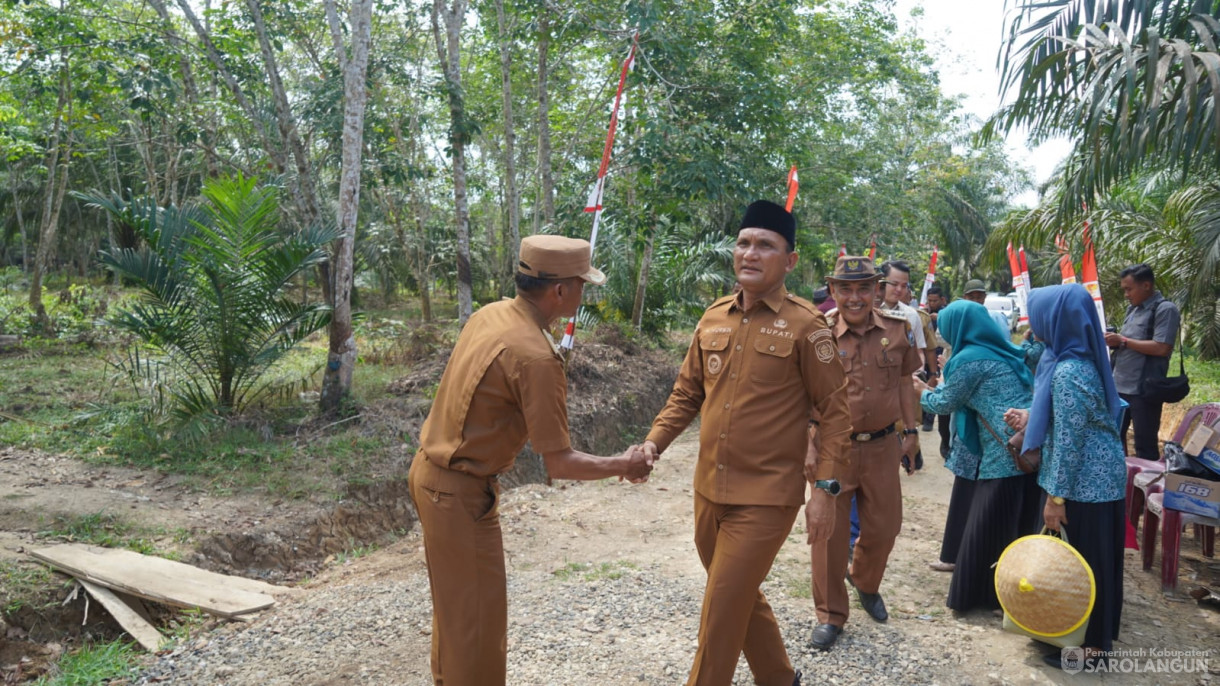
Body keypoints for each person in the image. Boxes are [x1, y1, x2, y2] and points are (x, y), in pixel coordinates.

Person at [408, 235, 653, 686]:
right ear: (560, 290)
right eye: (581, 284)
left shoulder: (490, 314)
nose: (583, 293)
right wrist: (624, 464)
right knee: (478, 631)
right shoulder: (536, 358)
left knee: (457, 617)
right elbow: (560, 464)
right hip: (459, 495)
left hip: (430, 476)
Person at [641, 200, 852, 686]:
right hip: (708, 491)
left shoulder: (807, 326)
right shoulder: (713, 317)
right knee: (735, 595)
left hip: (765, 498)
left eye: (765, 245)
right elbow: (687, 393)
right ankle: (780, 679)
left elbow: (836, 414)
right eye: (743, 243)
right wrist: (654, 443)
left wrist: (825, 491)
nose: (750, 253)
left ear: (790, 260)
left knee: (720, 612)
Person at [1003, 284, 1126, 668]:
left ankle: (1093, 649)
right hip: (1096, 478)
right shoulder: (1077, 360)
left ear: (1056, 320)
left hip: (1085, 483)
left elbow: (1071, 442)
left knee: (1087, 564)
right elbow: (1076, 418)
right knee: (1093, 559)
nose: (1033, 323)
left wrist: (1056, 499)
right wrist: (1032, 416)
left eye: (1038, 315)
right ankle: (1086, 633)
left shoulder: (1068, 371)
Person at [809, 255, 921, 651]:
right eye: (845, 289)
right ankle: (830, 614)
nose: (854, 297)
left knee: (885, 526)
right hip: (833, 449)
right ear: (833, 290)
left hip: (882, 446)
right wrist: (807, 445)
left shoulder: (898, 329)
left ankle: (865, 581)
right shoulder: (817, 334)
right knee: (828, 534)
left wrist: (912, 431)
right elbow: (801, 395)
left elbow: (905, 381)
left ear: (877, 290)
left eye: (863, 288)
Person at [913, 301, 1040, 609]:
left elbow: (944, 403)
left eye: (944, 325)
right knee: (1015, 520)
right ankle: (1010, 592)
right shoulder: (1002, 350)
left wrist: (919, 390)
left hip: (1003, 452)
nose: (941, 332)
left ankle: (983, 595)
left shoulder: (969, 359)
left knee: (990, 521)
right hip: (1026, 444)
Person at [1105, 263, 1181, 460]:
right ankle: (1121, 478)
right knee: (1113, 440)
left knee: (1145, 446)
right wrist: (1116, 342)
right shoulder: (1133, 309)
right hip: (1119, 388)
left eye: (1129, 289)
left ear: (1146, 285)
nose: (1126, 295)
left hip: (1143, 391)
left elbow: (1162, 347)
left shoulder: (1165, 309)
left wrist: (1123, 341)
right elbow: (1129, 343)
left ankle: (1147, 479)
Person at [878, 260, 934, 472]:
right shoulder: (864, 312)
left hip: (901, 380)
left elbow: (918, 351)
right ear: (881, 283)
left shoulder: (911, 316)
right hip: (873, 383)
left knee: (903, 424)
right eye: (894, 284)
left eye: (904, 285)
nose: (899, 290)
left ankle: (911, 451)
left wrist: (918, 373)